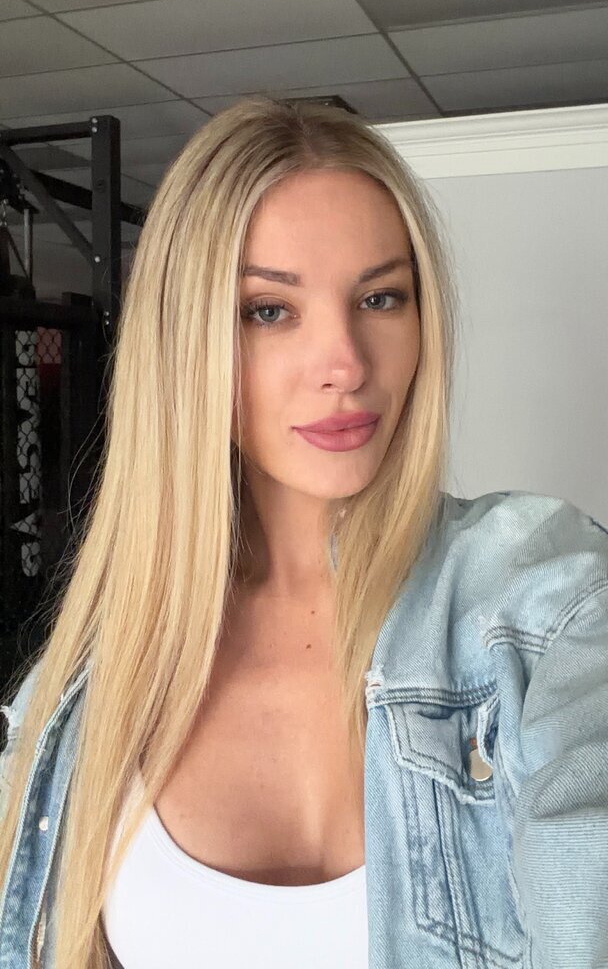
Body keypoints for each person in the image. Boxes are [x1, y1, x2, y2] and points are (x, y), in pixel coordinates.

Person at [1, 95, 607, 969]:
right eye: (269, 310)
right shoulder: (84, 692)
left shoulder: (542, 601)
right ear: (185, 342)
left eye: (381, 297)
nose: (347, 364)